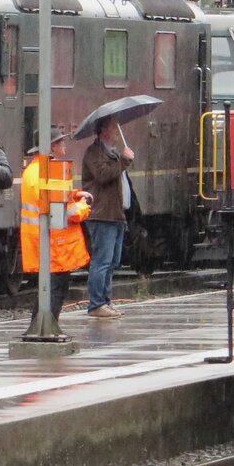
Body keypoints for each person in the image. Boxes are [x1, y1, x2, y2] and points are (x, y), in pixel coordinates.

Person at [20, 128, 91, 322]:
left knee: (49, 289)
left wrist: (75, 194)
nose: (64, 146)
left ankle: (41, 326)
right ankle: (45, 328)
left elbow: (53, 198)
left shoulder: (35, 171)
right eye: (61, 142)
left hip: (45, 242)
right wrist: (83, 207)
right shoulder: (45, 173)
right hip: (53, 244)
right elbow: (64, 211)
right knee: (54, 290)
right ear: (52, 147)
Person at [82, 116, 134, 320]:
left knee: (112, 261)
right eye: (114, 128)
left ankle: (105, 301)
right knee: (101, 261)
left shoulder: (110, 153)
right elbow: (103, 175)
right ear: (103, 130)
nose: (117, 132)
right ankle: (96, 304)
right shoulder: (94, 153)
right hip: (102, 214)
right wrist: (124, 161)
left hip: (115, 214)